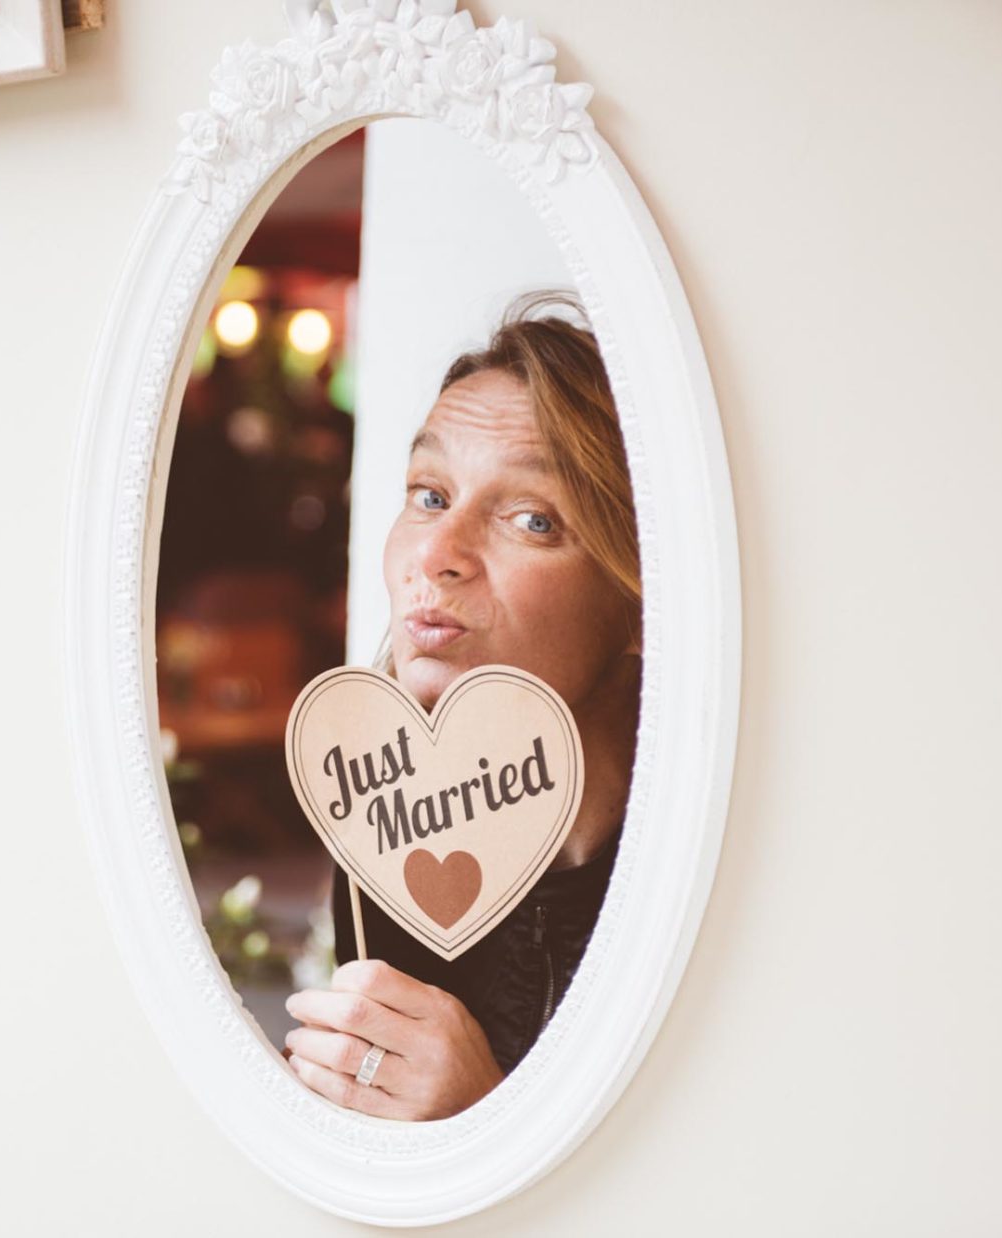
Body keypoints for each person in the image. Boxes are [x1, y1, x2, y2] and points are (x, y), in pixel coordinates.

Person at [283, 291, 642, 1120]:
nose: (436, 555)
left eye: (531, 519)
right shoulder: (390, 831)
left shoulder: (709, 882)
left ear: (642, 603)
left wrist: (482, 1120)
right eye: (431, 496)